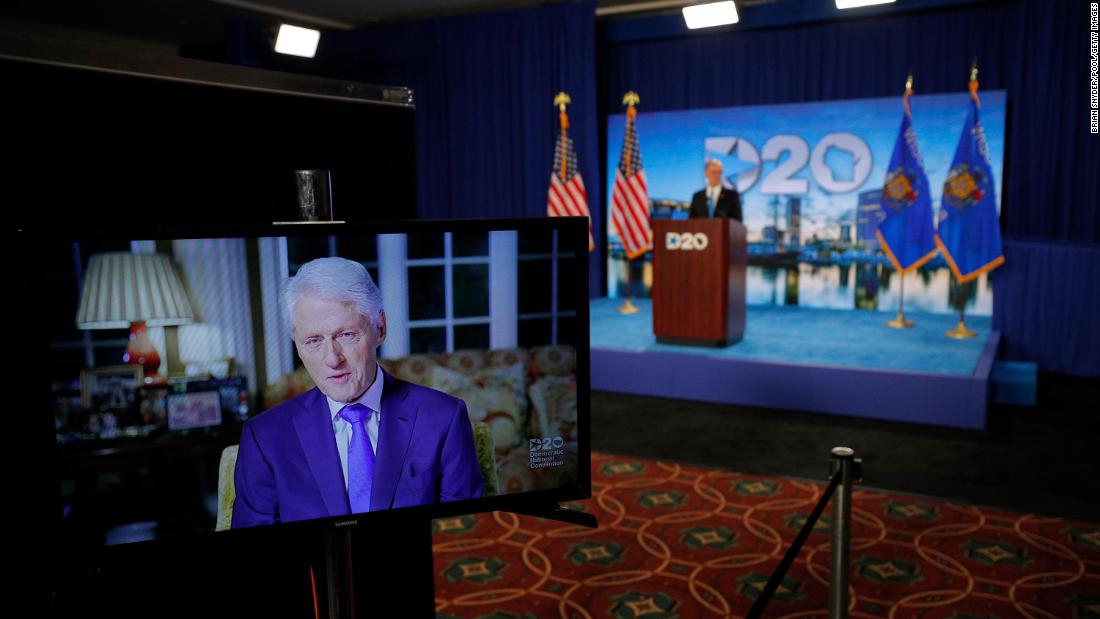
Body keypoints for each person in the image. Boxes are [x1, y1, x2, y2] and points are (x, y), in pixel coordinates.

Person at [232, 257, 483, 528]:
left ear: (380, 328)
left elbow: (462, 537)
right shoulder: (264, 437)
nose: (332, 359)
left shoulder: (443, 418)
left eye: (346, 335)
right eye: (313, 340)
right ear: (298, 344)